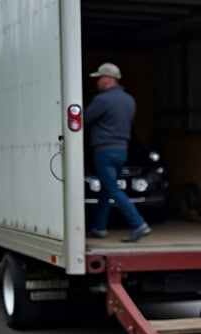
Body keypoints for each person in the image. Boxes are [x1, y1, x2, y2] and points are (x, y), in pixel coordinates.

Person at [84, 62, 151, 242]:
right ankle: (99, 227)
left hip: (104, 150)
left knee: (112, 188)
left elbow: (84, 119)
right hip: (122, 150)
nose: (97, 83)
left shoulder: (102, 100)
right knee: (107, 188)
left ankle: (138, 224)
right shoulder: (129, 100)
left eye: (99, 79)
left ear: (107, 80)